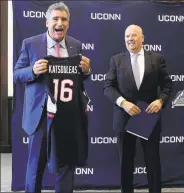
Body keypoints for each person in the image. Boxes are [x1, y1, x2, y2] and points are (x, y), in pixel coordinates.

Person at [13, 2, 91, 192]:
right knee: (35, 166)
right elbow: (16, 75)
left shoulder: (76, 45)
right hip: (40, 117)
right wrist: (32, 70)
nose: (59, 22)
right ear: (46, 22)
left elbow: (77, 78)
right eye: (55, 18)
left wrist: (87, 71)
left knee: (65, 164)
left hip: (67, 116)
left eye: (64, 19)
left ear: (68, 23)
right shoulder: (30, 44)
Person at [104, 24, 173, 193]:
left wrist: (160, 101)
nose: (130, 39)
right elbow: (108, 87)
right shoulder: (116, 60)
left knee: (153, 161)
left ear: (142, 38)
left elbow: (167, 86)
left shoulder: (157, 59)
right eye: (127, 36)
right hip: (124, 117)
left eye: (134, 35)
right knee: (125, 163)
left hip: (148, 117)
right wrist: (123, 103)